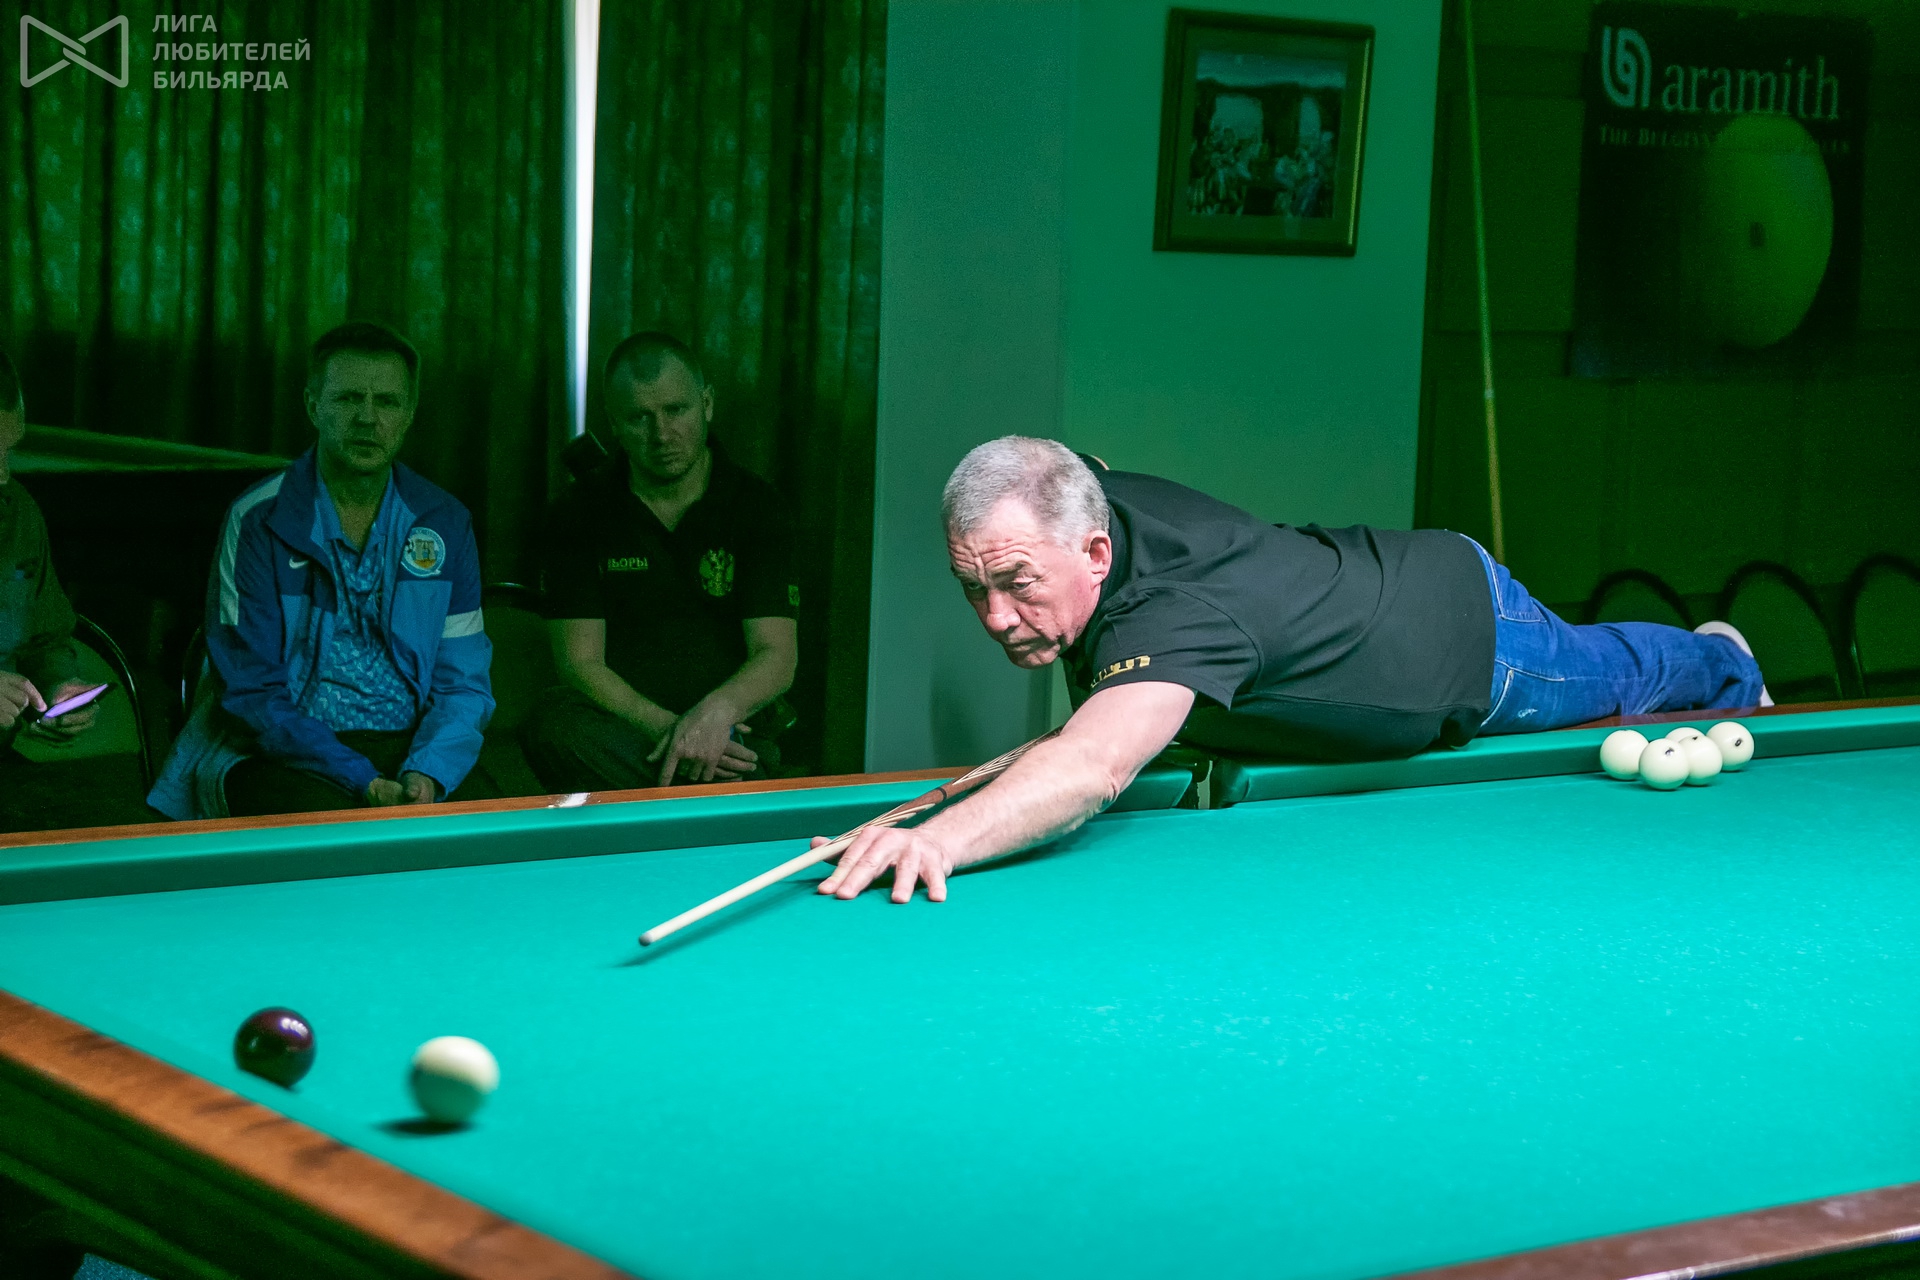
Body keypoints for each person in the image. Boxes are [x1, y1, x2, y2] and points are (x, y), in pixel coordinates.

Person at [816, 436, 1768, 904]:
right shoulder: (1077, 492)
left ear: (1096, 552)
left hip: (1465, 636)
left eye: (1017, 584)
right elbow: (1070, 456)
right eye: (973, 588)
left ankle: (1727, 661)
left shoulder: (1174, 620)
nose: (995, 617)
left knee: (1617, 672)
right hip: (1371, 574)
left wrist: (941, 840)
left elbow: (1092, 766)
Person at [148, 323, 494, 819]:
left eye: (387, 402)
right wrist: (361, 778)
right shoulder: (258, 519)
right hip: (281, 752)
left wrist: (428, 772)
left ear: (410, 413)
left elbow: (464, 684)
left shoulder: (444, 521)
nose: (368, 418)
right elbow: (252, 693)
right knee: (337, 842)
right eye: (349, 398)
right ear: (313, 406)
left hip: (411, 745)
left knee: (494, 832)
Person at [523, 332, 798, 791]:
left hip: (729, 726)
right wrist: (675, 733)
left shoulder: (758, 507)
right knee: (550, 723)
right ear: (614, 422)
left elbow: (777, 656)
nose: (662, 434)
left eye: (676, 410)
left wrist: (714, 717)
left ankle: (697, 787)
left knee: (747, 746)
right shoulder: (578, 511)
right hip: (626, 730)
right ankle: (712, 792)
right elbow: (580, 663)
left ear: (706, 404)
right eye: (639, 418)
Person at [0, 351, 136, 833]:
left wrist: (60, 689)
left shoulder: (18, 513)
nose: (3, 474)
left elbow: (46, 638)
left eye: (9, 450)